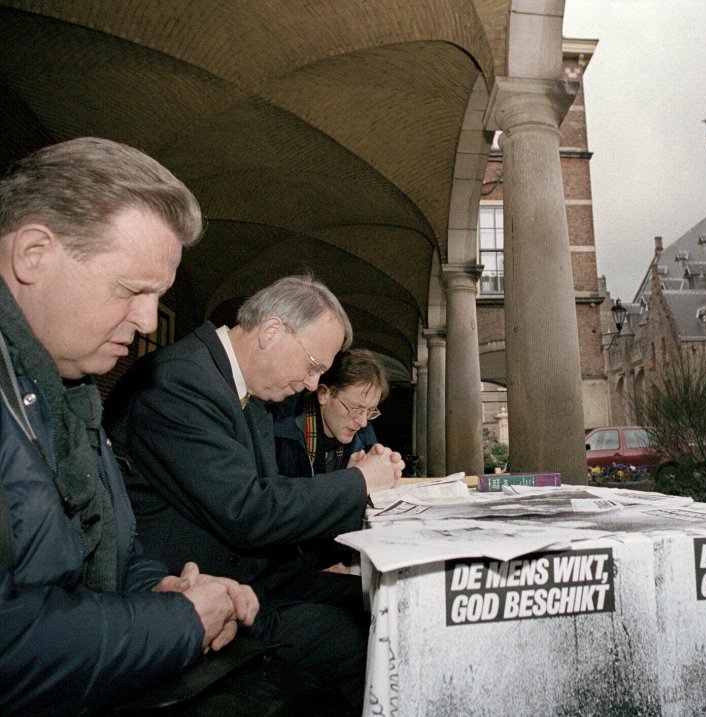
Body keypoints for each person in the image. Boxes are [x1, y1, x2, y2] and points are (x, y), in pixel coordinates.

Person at [0, 137, 259, 716]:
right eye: (133, 290)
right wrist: (179, 622)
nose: (147, 322)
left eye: (158, 297)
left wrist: (157, 589)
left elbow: (119, 549)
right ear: (33, 254)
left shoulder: (72, 389)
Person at [104, 274, 405, 714]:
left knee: (385, 603)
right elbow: (247, 512)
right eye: (312, 364)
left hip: (257, 574)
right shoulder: (181, 381)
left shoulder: (242, 390)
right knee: (366, 638)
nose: (311, 383)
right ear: (271, 332)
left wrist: (353, 485)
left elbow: (271, 494)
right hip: (200, 592)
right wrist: (358, 484)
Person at [273, 348, 393, 571]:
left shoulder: (361, 439)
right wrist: (347, 484)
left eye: (370, 411)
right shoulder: (280, 439)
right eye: (356, 409)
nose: (363, 422)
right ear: (324, 394)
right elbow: (277, 520)